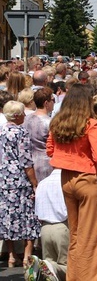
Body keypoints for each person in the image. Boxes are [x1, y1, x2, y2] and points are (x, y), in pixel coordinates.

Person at [47, 84, 97, 280]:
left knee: (75, 232)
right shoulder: (91, 124)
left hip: (66, 178)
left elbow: (50, 149)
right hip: (87, 178)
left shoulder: (58, 121)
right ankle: (89, 277)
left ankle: (74, 276)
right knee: (90, 235)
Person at [0, 100, 39, 269]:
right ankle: (27, 256)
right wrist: (34, 182)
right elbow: (25, 160)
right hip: (20, 179)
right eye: (22, 113)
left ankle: (11, 255)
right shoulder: (21, 132)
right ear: (16, 116)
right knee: (27, 217)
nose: (25, 115)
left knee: (8, 216)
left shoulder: (1, 132)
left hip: (4, 179)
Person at [31, 168, 69, 280]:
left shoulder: (42, 183)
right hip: (63, 226)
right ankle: (45, 267)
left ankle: (42, 268)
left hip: (45, 228)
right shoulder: (66, 182)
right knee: (68, 266)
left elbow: (37, 210)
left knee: (48, 268)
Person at [24, 87, 55, 182]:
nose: (54, 102)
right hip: (46, 163)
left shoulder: (25, 119)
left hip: (29, 162)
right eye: (52, 100)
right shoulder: (50, 123)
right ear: (46, 103)